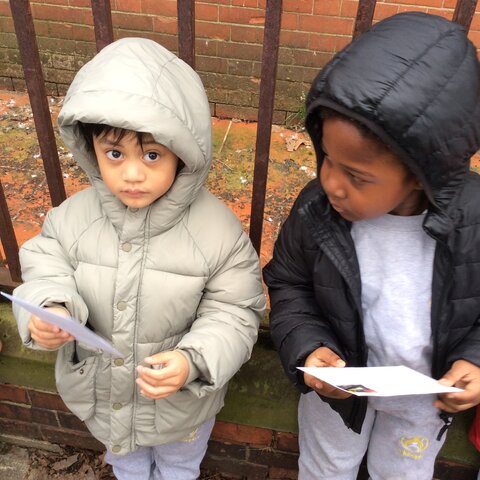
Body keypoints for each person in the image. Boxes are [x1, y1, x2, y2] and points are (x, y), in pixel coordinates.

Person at [12, 37, 265, 479]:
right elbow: (45, 266)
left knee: (179, 468)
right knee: (125, 464)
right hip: (105, 397)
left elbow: (236, 310)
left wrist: (194, 361)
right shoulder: (73, 218)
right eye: (115, 154)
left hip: (180, 405)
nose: (131, 173)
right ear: (90, 149)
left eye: (151, 155)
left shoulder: (217, 232)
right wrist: (49, 309)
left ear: (183, 153)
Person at [263, 11, 480, 480]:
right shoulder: (317, 209)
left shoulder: (474, 222)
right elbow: (289, 283)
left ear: (421, 173)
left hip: (423, 399)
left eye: (356, 176)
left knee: (402, 473)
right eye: (327, 159)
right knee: (325, 468)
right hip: (337, 391)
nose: (331, 183)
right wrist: (310, 349)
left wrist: (475, 361)